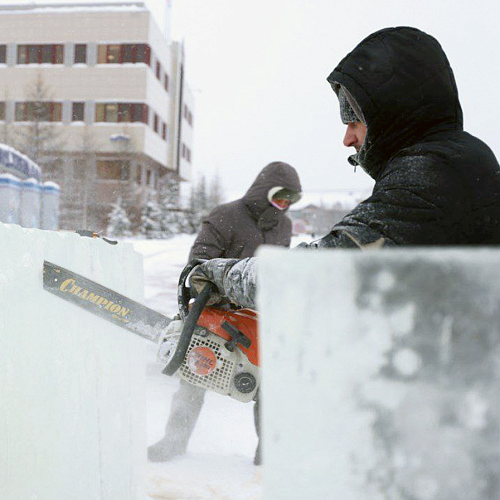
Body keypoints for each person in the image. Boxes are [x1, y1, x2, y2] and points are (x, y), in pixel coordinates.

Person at [189, 26, 500, 312]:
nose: (347, 138)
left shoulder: (431, 173)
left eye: (354, 121)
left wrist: (222, 275)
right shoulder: (456, 159)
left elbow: (328, 272)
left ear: (391, 115)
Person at [147, 161, 301, 465]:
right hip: (216, 311)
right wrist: (220, 289)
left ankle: (267, 456)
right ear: (263, 190)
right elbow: (199, 261)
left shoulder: (284, 226)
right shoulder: (227, 215)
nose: (284, 204)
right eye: (280, 196)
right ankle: (174, 442)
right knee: (194, 375)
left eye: (291, 199)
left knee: (267, 385)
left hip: (257, 317)